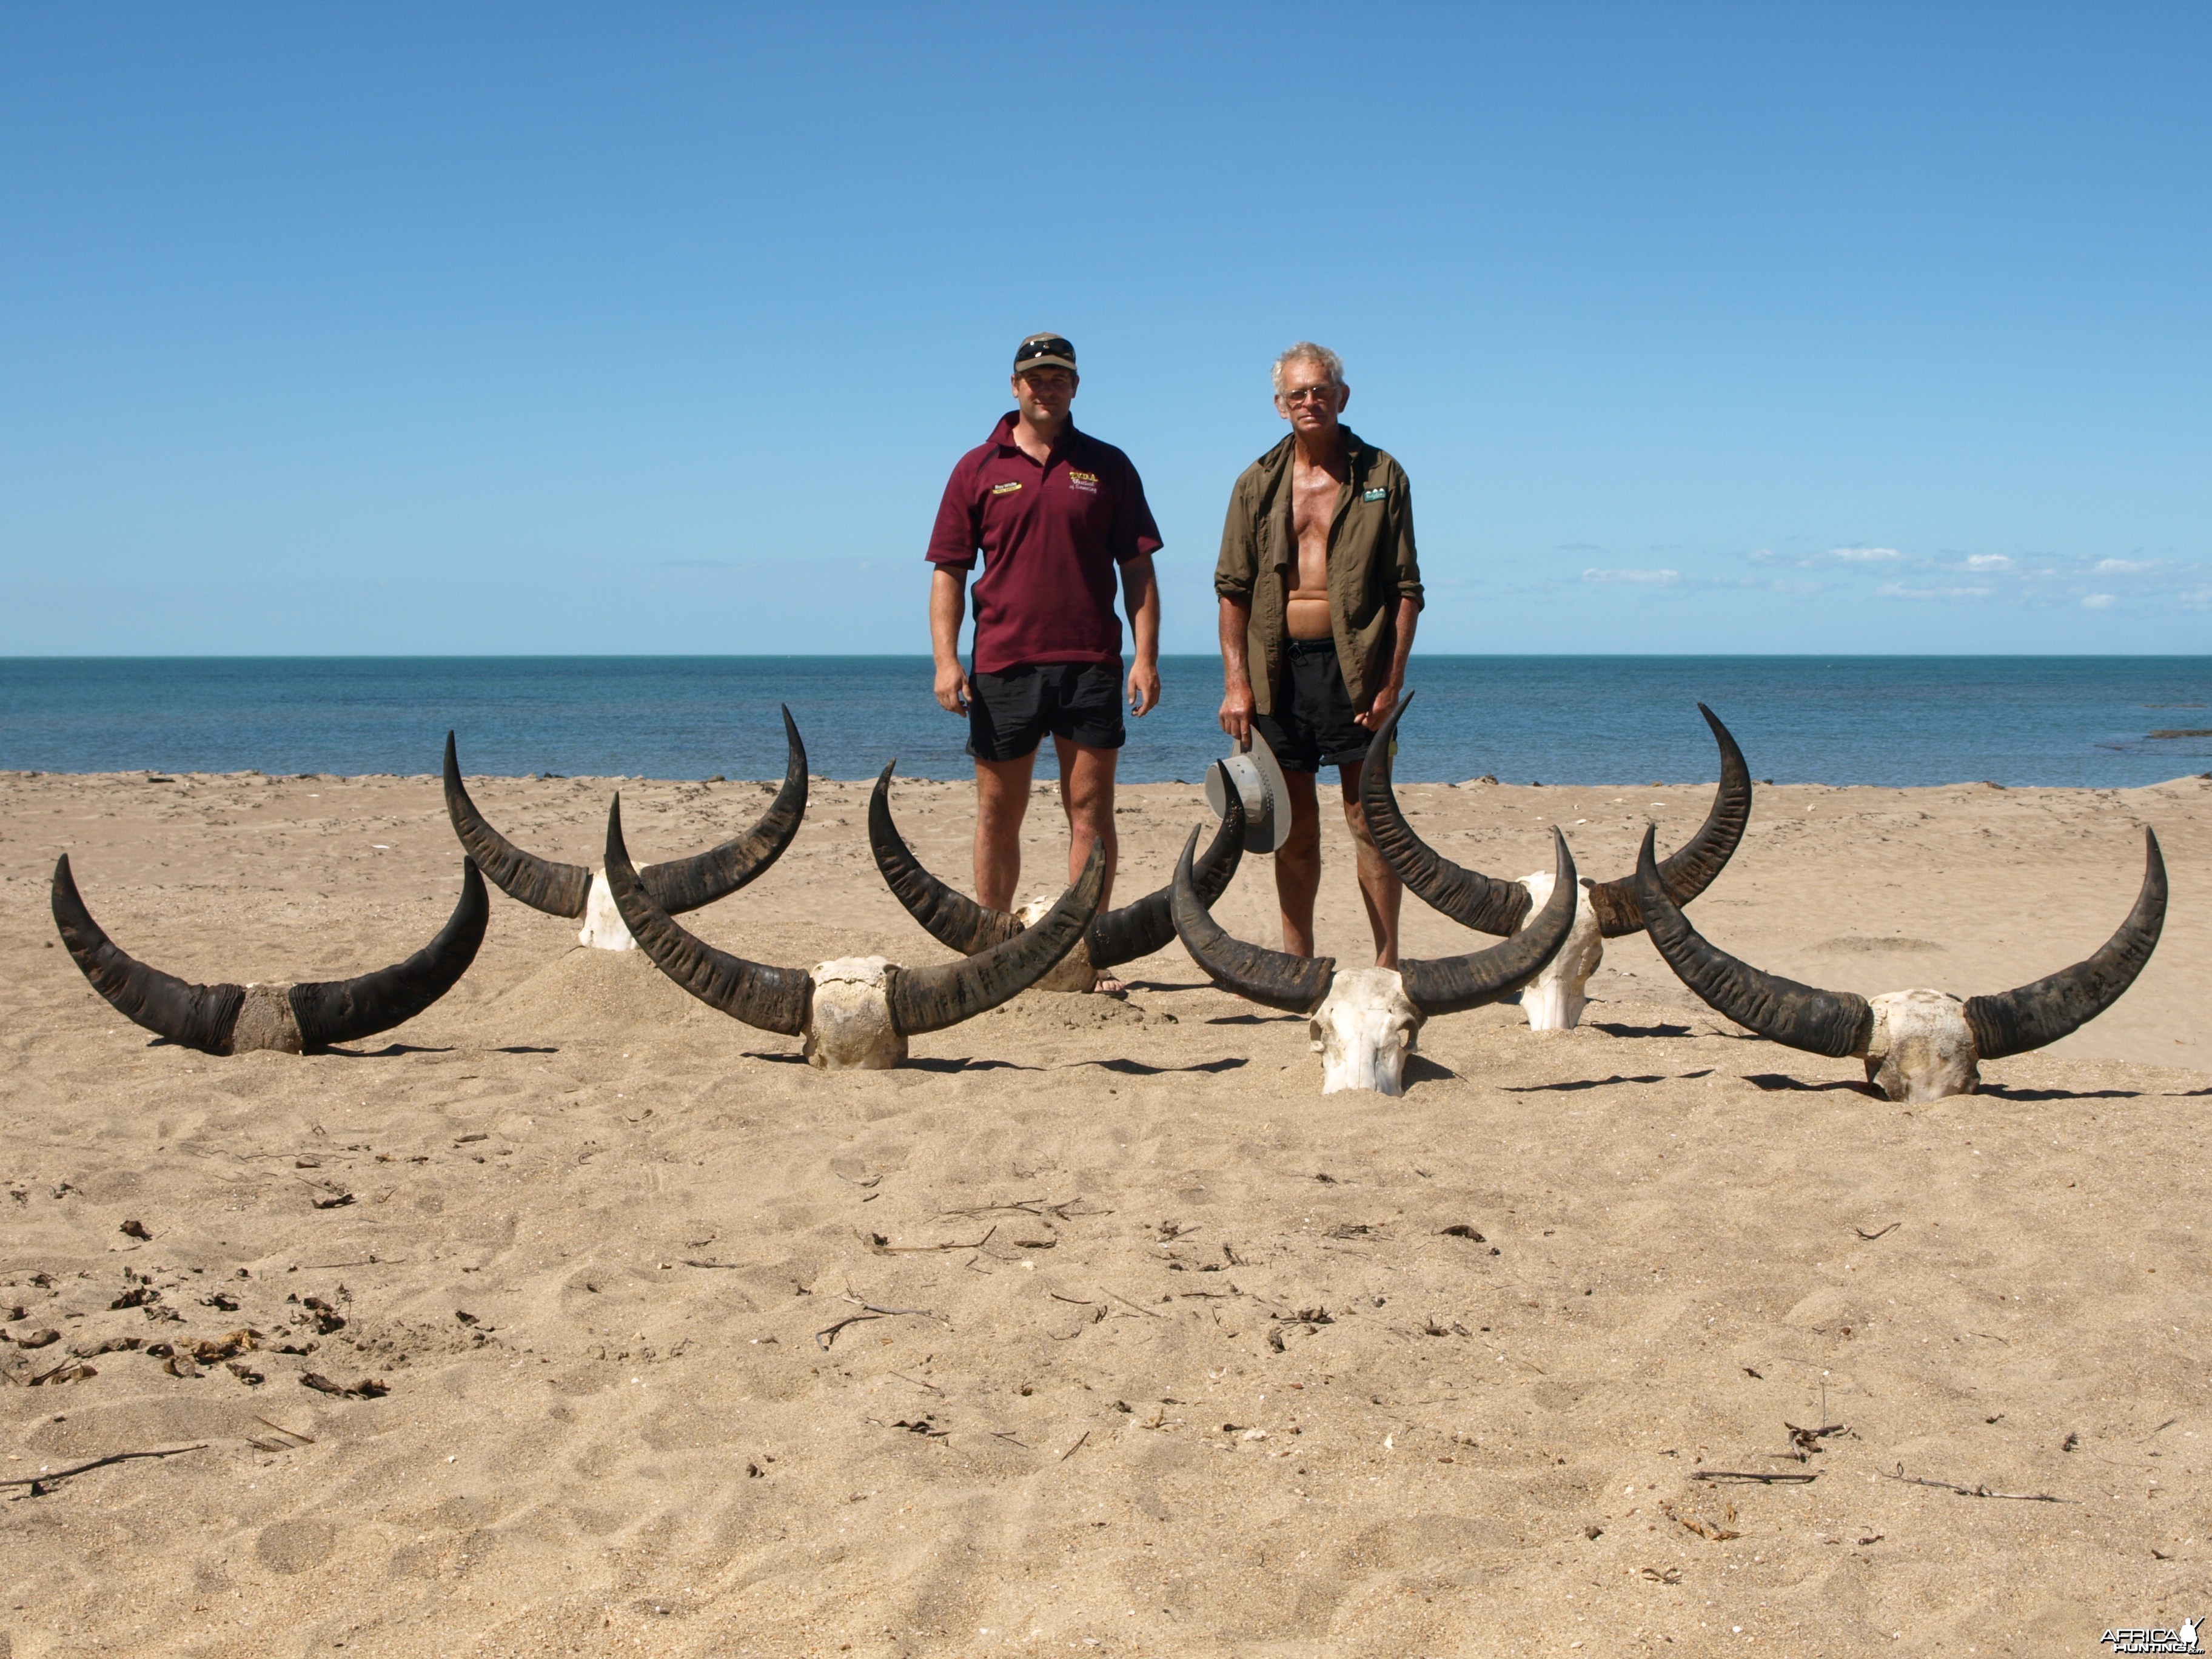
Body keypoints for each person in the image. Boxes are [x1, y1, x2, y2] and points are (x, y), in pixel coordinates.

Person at [927, 332, 1162, 991]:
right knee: (999, 813)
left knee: (1090, 812)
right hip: (1003, 664)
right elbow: (948, 572)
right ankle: (992, 948)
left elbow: (1138, 570)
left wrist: (1145, 657)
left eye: (1058, 377)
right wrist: (947, 661)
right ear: (1014, 386)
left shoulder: (1108, 465)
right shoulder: (976, 467)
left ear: (1075, 387)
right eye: (1034, 377)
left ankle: (1092, 951)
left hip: (1092, 663)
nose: (1045, 387)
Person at [1215, 342, 1421, 965]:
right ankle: (1299, 962)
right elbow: (1233, 590)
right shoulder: (1255, 482)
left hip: (1356, 669)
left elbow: (1405, 591)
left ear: (1342, 396)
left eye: (1321, 390)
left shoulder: (1384, 475)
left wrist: (1390, 682)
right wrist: (1236, 684)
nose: (1311, 401)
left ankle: (1386, 963)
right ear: (1281, 406)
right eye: (1298, 393)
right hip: (1277, 672)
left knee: (1371, 821)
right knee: (1293, 827)